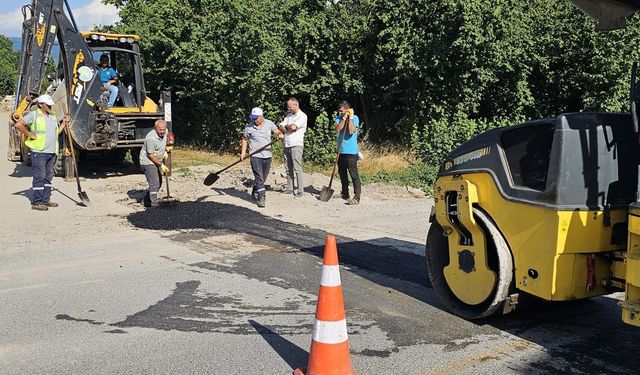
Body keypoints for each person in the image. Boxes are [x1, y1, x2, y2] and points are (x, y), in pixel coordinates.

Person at [13, 94, 70, 211]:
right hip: (39, 152)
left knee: (48, 176)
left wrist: (64, 124)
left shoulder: (52, 117)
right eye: (48, 105)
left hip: (51, 151)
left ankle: (46, 200)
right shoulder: (34, 115)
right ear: (41, 105)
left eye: (50, 104)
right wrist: (29, 134)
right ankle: (37, 202)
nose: (50, 106)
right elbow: (18, 124)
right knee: (40, 176)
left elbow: (55, 132)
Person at [241, 107, 284, 208]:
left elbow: (278, 132)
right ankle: (261, 197)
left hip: (267, 155)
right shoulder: (249, 127)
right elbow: (245, 140)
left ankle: (256, 189)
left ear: (261, 116)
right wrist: (243, 153)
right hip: (255, 155)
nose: (254, 120)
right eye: (253, 118)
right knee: (259, 177)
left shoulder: (269, 123)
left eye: (256, 118)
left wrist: (280, 134)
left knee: (263, 177)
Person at [278, 97, 307, 197]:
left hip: (296, 145)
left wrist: (287, 127)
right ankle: (290, 187)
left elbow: (294, 127)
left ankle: (300, 190)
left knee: (297, 168)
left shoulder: (302, 116)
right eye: (288, 107)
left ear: (296, 105)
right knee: (288, 167)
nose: (289, 109)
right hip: (287, 144)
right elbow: (281, 126)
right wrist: (287, 128)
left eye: (290, 107)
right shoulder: (288, 116)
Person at [335, 100, 361, 205]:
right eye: (339, 111)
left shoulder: (355, 118)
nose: (340, 113)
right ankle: (345, 193)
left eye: (342, 111)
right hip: (341, 151)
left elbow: (351, 131)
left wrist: (350, 118)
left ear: (347, 109)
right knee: (342, 173)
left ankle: (357, 197)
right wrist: (344, 118)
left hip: (351, 152)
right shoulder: (338, 118)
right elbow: (338, 129)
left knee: (353, 174)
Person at [139, 119, 169, 208]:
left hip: (156, 160)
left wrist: (164, 151)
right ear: (155, 128)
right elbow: (150, 155)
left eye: (164, 129)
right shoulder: (151, 138)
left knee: (159, 183)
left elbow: (164, 142)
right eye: (160, 130)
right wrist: (161, 165)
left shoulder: (165, 131)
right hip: (148, 162)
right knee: (155, 183)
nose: (162, 132)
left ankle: (146, 201)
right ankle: (154, 205)